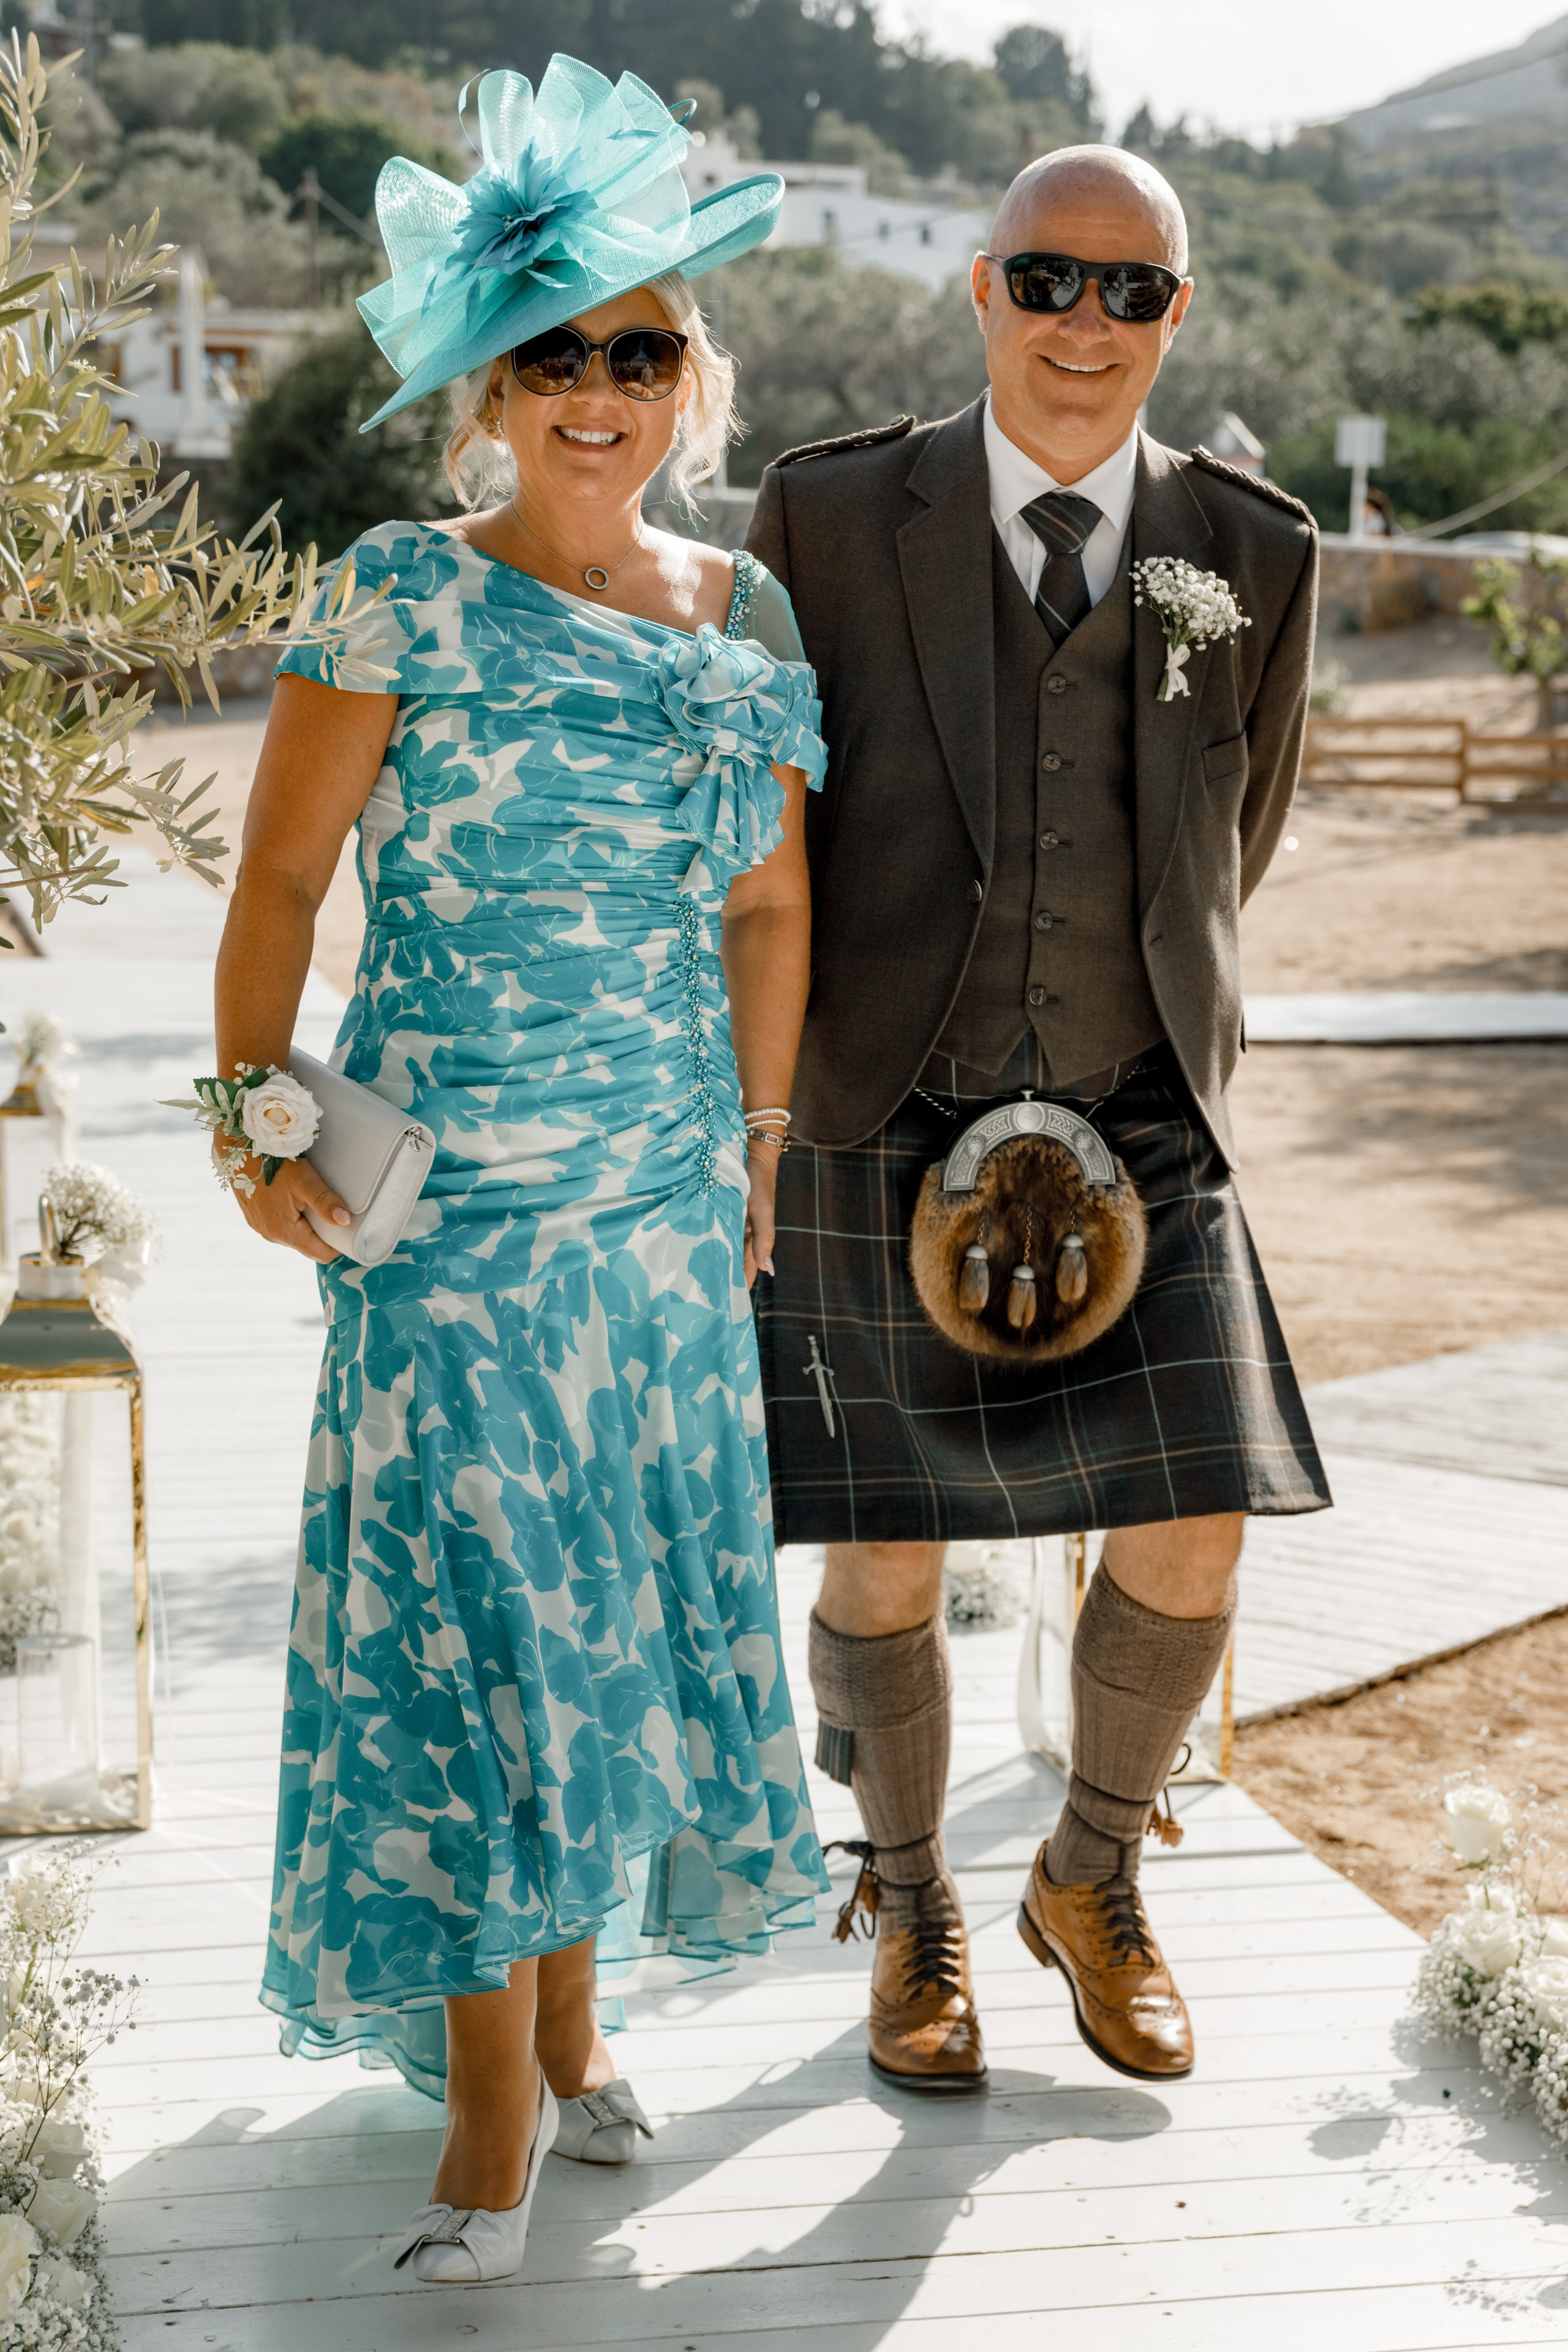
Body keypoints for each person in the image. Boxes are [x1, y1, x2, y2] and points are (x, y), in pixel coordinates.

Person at [213, 59, 829, 2285]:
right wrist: (249, 1117)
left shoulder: (734, 622)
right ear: (490, 381)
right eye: (556, 350)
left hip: (662, 1213)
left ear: (692, 379)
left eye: (638, 349)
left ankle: (576, 2037)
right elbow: (279, 890)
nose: (597, 389)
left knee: (618, 1622)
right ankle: (489, 2112)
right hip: (444, 1222)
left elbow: (766, 916)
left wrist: (757, 1151)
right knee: (471, 1629)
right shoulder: (397, 594)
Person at [745, 146, 1330, 2094]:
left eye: (1132, 292)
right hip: (882, 1090)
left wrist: (1137, 1008)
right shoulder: (828, 518)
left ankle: (1090, 1877)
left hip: (1142, 1098)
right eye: (1051, 281)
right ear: (982, 292)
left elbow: (1239, 835)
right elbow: (773, 834)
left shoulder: (1254, 549)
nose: (1089, 324)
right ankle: (908, 1900)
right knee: (890, 1541)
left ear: (1181, 314)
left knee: (1199, 1520)